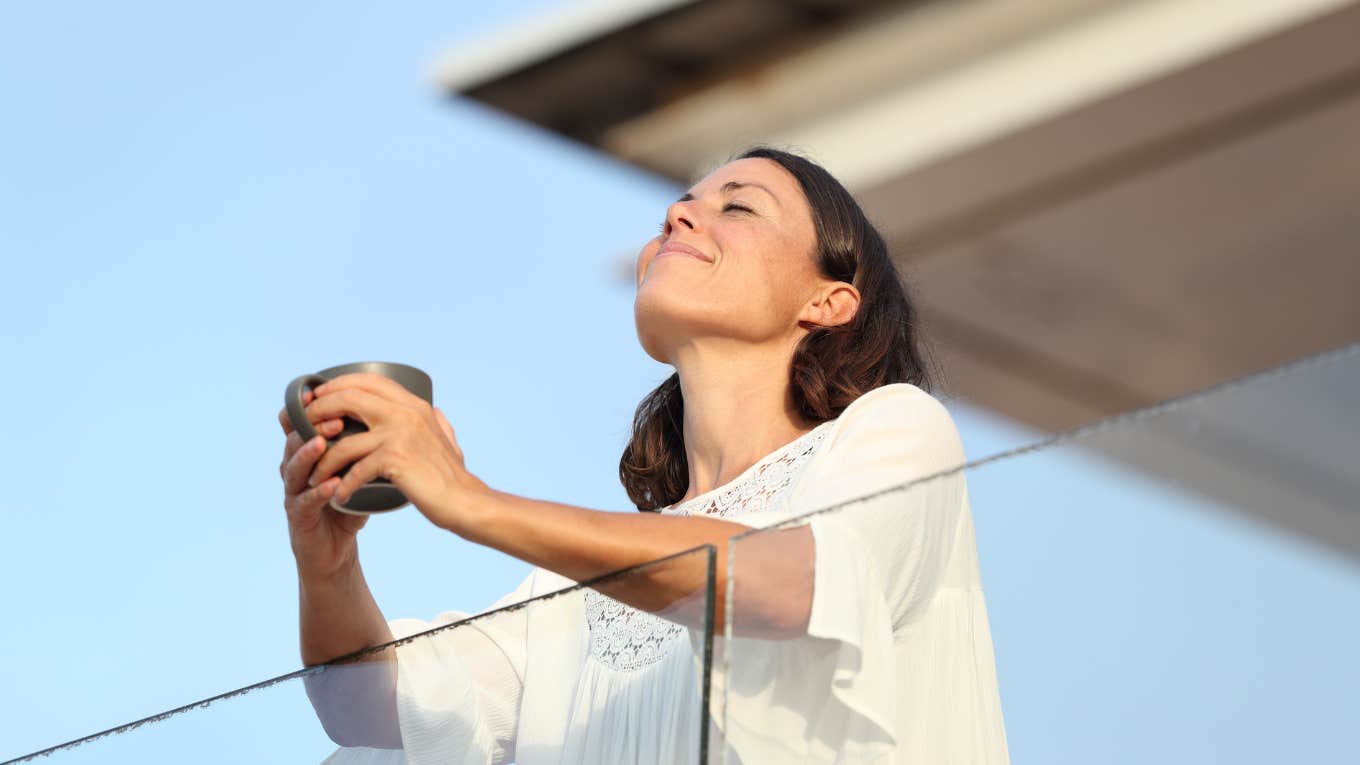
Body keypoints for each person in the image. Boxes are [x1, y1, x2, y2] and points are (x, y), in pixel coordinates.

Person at [279, 146, 1009, 764]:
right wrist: (328, 564)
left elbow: (789, 582)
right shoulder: (570, 593)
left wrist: (466, 498)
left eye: (740, 206)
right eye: (681, 204)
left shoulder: (896, 430)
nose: (677, 216)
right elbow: (366, 710)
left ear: (829, 300)